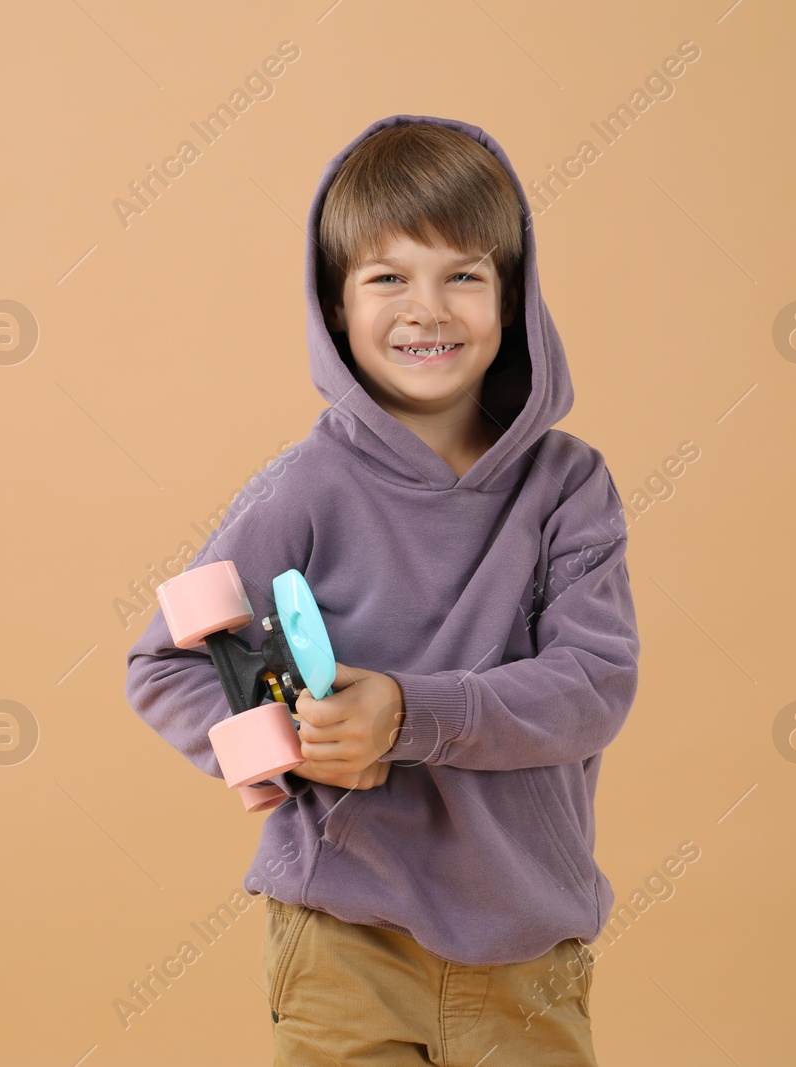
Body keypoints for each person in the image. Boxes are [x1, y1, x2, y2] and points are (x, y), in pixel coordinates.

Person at [124, 113, 640, 1065]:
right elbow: (166, 660)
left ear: (513, 298)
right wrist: (291, 748)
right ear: (336, 305)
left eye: (464, 275)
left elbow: (592, 685)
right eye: (388, 277)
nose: (427, 309)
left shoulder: (569, 487)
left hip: (529, 948)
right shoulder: (300, 491)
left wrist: (406, 712)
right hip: (342, 940)